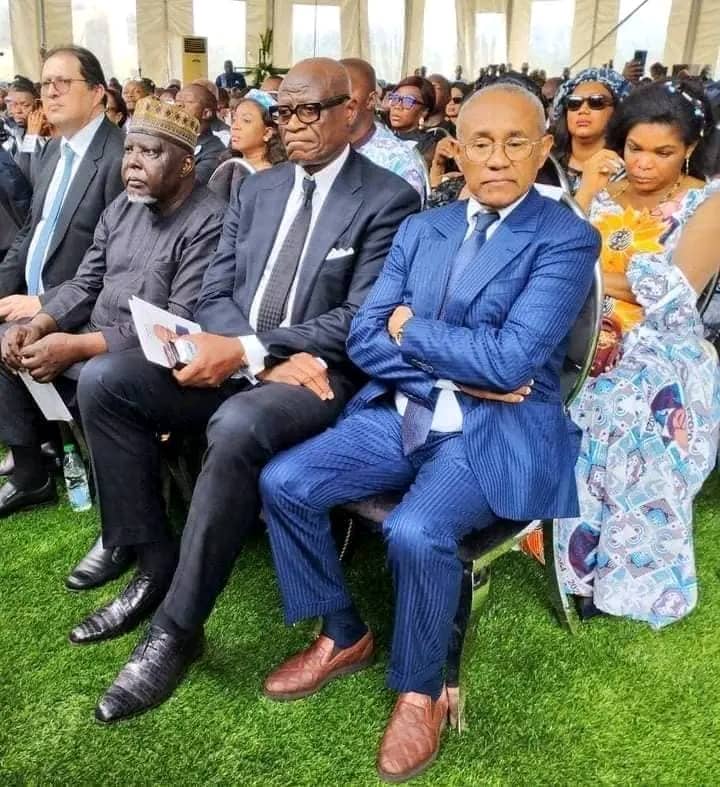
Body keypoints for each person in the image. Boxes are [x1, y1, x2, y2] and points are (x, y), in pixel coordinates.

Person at [259, 82, 599, 783]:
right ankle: (343, 633)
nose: (497, 158)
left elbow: (512, 363)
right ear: (455, 150)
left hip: (497, 427)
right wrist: (452, 370)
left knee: (415, 530)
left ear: (543, 148)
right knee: (285, 481)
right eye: (481, 143)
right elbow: (364, 336)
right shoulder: (423, 228)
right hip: (412, 410)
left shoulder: (567, 237)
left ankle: (421, 691)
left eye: (516, 142)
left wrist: (411, 329)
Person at [67, 57, 420, 723]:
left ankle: (177, 630)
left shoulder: (388, 198)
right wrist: (248, 356)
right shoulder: (258, 189)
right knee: (106, 380)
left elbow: (360, 318)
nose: (295, 125)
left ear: (351, 110)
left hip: (323, 376)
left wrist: (255, 352)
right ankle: (153, 562)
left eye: (310, 110)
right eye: (284, 112)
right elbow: (213, 290)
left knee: (236, 425)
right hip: (244, 358)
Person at [0, 96, 225, 519]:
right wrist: (41, 324)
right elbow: (85, 283)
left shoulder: (209, 220)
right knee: (10, 338)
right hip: (95, 337)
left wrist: (76, 347)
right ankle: (32, 473)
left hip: (148, 358)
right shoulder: (122, 206)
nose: (133, 164)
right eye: (129, 150)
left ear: (186, 165)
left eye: (150, 152)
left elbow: (176, 324)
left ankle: (129, 517)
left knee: (97, 378)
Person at [553, 81, 720, 628]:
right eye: (635, 148)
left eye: (663, 152)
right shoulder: (604, 189)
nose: (644, 163)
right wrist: (584, 191)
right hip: (579, 323)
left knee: (623, 404)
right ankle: (552, 544)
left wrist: (582, 271)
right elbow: (549, 245)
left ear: (690, 148)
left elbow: (675, 291)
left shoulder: (707, 203)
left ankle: (618, 567)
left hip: (660, 338)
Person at [0, 46, 124, 322]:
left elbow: (120, 264)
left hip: (75, 319)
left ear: (97, 93)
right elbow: (30, 231)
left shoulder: (122, 158)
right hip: (26, 305)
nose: (51, 92)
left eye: (63, 82)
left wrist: (45, 304)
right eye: (46, 84)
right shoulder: (53, 149)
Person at [340, 58, 427, 201]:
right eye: (329, 93)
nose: (336, 100)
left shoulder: (399, 161)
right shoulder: (319, 150)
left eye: (346, 92)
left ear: (371, 100)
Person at [550, 67, 631, 196]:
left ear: (616, 112)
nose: (583, 110)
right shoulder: (544, 164)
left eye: (596, 102)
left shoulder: (629, 172)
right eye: (574, 103)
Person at [207, 89, 286, 202]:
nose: (235, 127)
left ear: (267, 133)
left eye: (246, 120)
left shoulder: (276, 179)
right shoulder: (228, 167)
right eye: (234, 119)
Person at [174, 84, 227, 185]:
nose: (179, 105)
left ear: (206, 113)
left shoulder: (215, 150)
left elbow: (189, 184)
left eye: (188, 101)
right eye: (177, 101)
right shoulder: (168, 140)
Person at [387, 75, 438, 166]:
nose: (398, 106)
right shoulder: (381, 135)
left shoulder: (428, 146)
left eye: (408, 101)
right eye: (395, 98)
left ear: (424, 112)